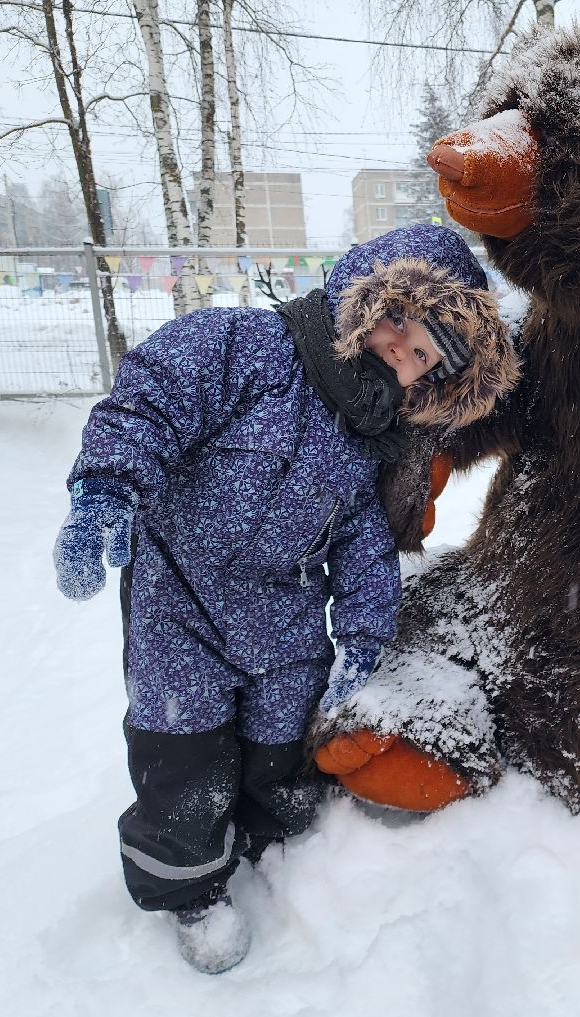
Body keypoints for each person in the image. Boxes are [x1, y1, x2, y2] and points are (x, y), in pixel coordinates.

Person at [52, 224, 518, 974]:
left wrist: (365, 631)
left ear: (431, 383)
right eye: (402, 319)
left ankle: (272, 853)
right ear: (366, 294)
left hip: (286, 608)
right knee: (185, 755)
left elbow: (363, 541)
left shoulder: (373, 439)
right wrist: (105, 488)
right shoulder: (242, 346)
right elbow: (150, 401)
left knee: (283, 752)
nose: (404, 348)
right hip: (181, 597)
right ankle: (191, 888)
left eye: (426, 354)